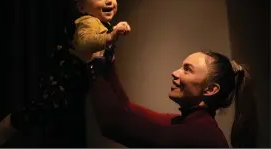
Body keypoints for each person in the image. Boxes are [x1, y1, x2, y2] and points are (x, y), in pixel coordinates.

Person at [0, 0, 131, 147]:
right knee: (42, 110)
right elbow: (84, 42)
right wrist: (111, 37)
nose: (108, 1)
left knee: (55, 119)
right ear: (81, 7)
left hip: (74, 86)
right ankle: (11, 124)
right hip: (61, 81)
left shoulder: (103, 25)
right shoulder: (87, 22)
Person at [87, 50, 257, 147]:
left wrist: (93, 64)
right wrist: (108, 61)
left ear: (211, 89)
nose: (174, 73)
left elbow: (114, 123)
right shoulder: (187, 123)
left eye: (187, 70)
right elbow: (126, 111)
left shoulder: (200, 136)